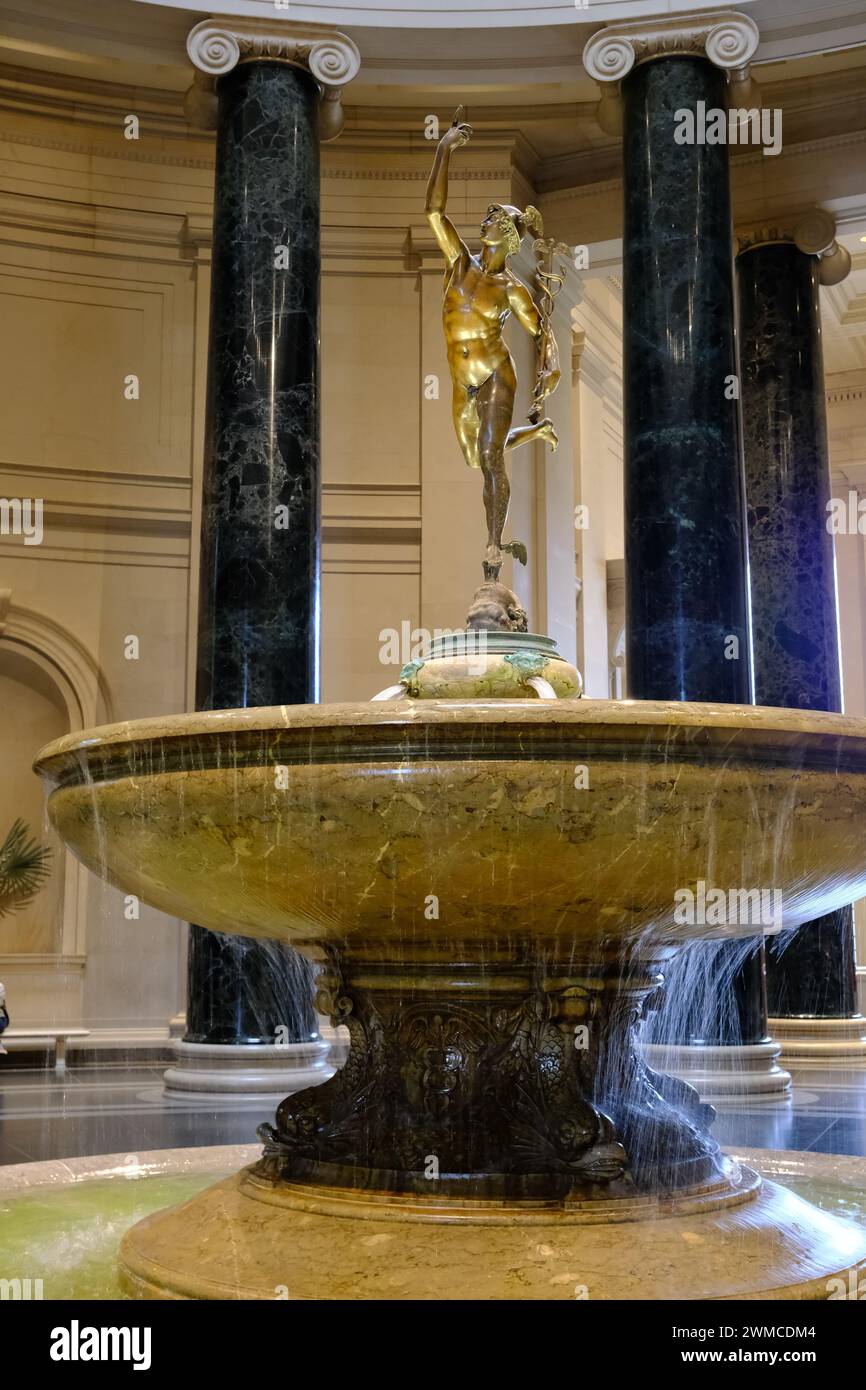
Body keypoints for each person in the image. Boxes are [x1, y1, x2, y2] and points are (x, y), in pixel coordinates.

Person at [426, 107, 559, 580]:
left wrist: (552, 364)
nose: (483, 219)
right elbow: (434, 212)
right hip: (462, 381)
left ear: (505, 235)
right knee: (474, 453)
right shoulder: (460, 265)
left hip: (495, 373)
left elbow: (541, 330)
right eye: (486, 215)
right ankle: (536, 433)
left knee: (488, 458)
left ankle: (492, 548)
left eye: (492, 216)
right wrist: (443, 150)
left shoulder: (511, 291)